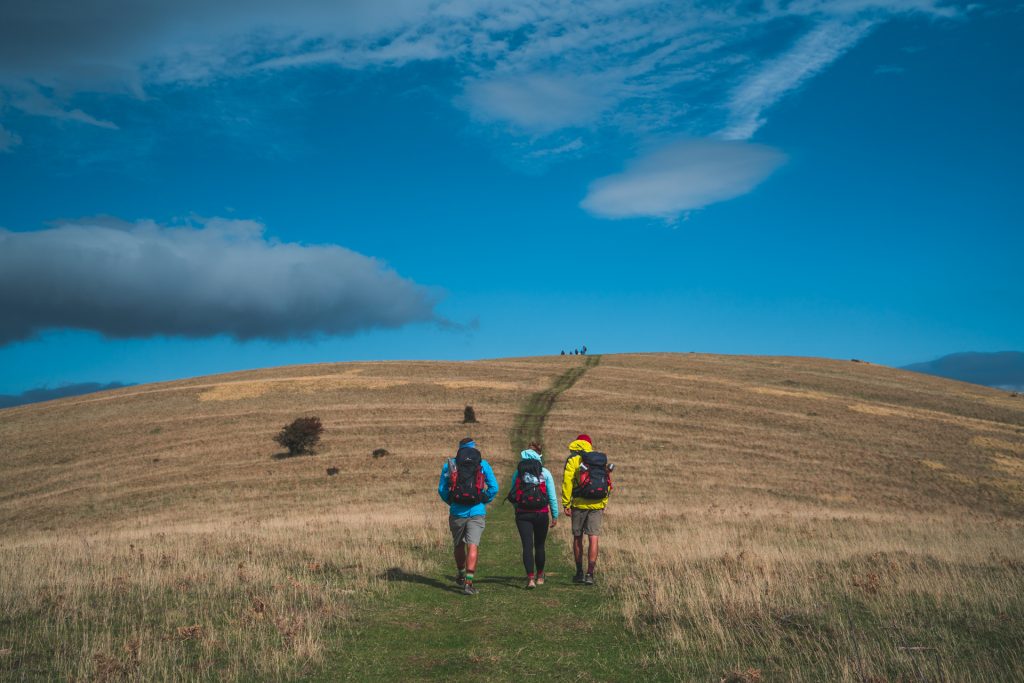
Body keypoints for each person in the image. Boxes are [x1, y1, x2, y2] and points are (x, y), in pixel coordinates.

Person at [438, 437, 498, 595]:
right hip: (476, 510)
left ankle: (461, 573)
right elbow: (494, 487)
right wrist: (484, 499)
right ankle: (469, 583)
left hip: (457, 511)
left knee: (458, 544)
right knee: (473, 545)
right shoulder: (482, 464)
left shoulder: (450, 465)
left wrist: (452, 502)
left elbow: (442, 490)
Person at [506, 442, 559, 589]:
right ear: (539, 455)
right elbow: (552, 496)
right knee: (540, 545)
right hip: (541, 513)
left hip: (523, 514)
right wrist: (554, 515)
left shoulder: (519, 472)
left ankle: (530, 579)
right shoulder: (545, 472)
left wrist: (518, 508)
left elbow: (513, 494)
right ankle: (540, 576)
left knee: (527, 546)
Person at [562, 433, 612, 585]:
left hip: (578, 504)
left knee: (578, 537)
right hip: (597, 504)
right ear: (589, 444)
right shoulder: (597, 460)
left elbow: (567, 482)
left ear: (576, 443)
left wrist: (566, 503)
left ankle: (579, 573)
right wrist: (604, 502)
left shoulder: (573, 460)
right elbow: (607, 482)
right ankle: (590, 573)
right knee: (593, 537)